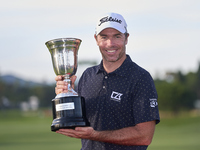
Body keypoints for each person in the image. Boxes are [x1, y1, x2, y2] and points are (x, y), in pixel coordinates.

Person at [55, 12, 160, 150]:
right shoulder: (88, 75)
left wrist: (95, 135)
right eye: (104, 37)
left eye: (117, 36)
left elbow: (144, 136)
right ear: (96, 39)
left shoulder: (140, 78)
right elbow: (77, 123)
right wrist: (65, 95)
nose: (110, 44)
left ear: (126, 38)